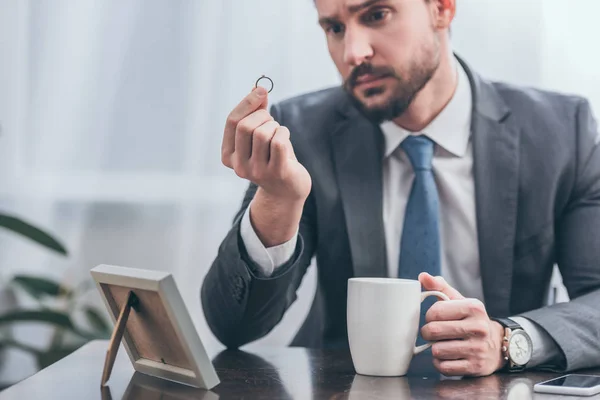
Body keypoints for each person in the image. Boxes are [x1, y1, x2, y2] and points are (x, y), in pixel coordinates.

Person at [201, 0, 600, 377]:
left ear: (442, 8)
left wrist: (509, 340)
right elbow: (233, 328)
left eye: (376, 15)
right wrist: (277, 200)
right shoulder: (301, 132)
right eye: (335, 28)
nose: (353, 52)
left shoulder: (562, 131)